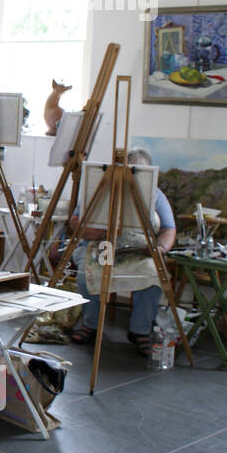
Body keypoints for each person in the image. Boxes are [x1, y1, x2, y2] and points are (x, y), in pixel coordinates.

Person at [68, 147, 177, 356]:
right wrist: (96, 230)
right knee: (90, 271)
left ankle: (140, 331)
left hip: (137, 248)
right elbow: (75, 222)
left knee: (152, 272)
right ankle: (91, 324)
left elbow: (168, 229)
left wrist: (160, 248)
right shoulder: (101, 187)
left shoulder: (156, 195)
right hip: (103, 244)